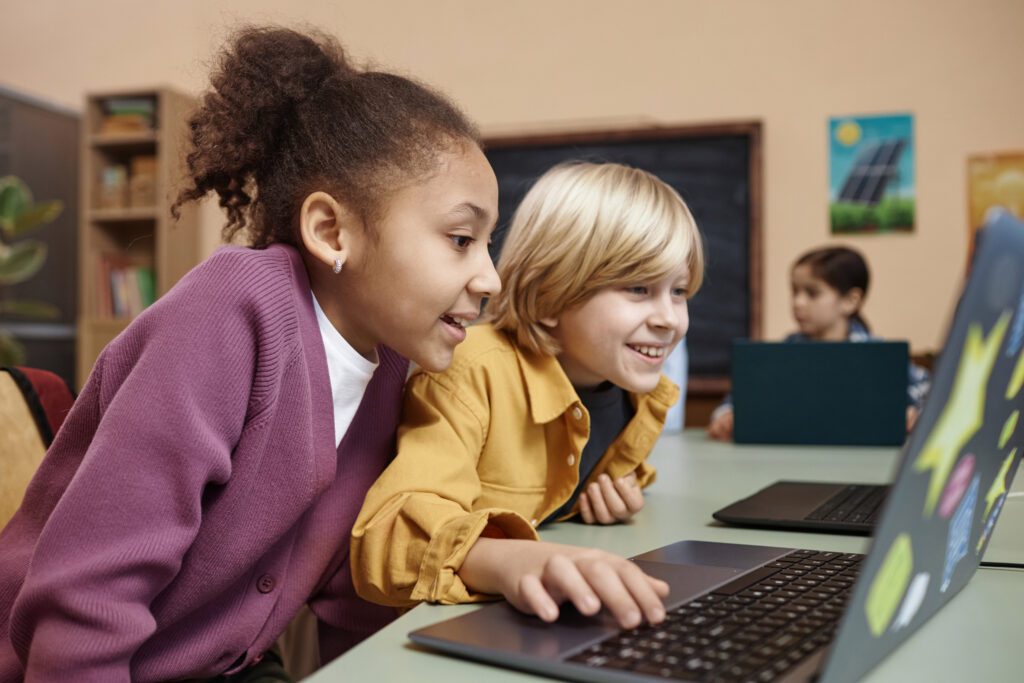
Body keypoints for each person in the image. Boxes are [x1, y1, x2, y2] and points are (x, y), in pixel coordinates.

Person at [0, 26, 500, 682]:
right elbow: (85, 603)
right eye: (462, 239)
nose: (489, 277)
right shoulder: (232, 313)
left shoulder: (391, 364)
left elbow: (348, 592)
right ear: (331, 231)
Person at [352, 162, 704, 629]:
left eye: (678, 291)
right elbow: (392, 535)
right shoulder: (470, 372)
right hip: (415, 628)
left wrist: (612, 495)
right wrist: (514, 562)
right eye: (638, 289)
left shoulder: (631, 389)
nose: (669, 319)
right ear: (553, 294)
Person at [707, 245, 930, 441]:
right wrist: (726, 415)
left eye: (812, 293)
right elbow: (739, 399)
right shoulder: (781, 355)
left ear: (850, 301)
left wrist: (919, 414)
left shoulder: (879, 358)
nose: (798, 302)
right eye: (794, 291)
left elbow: (929, 393)